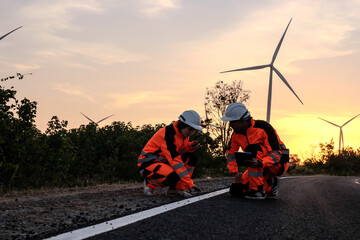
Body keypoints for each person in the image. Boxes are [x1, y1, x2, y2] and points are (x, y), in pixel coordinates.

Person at [221, 103, 289, 200]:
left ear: (243, 120)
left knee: (252, 149)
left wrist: (260, 163)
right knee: (236, 190)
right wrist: (235, 173)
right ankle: (270, 184)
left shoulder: (263, 128)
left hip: (277, 164)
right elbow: (231, 154)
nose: (230, 125)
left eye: (232, 122)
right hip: (257, 166)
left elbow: (277, 153)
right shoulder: (236, 134)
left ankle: (257, 190)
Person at [138, 110, 203, 197]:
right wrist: (189, 183)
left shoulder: (183, 135)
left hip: (164, 161)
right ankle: (150, 183)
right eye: (190, 129)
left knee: (191, 157)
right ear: (182, 125)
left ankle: (176, 189)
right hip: (148, 163)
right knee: (175, 173)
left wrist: (188, 148)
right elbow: (175, 160)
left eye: (194, 130)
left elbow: (178, 151)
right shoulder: (169, 135)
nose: (191, 132)